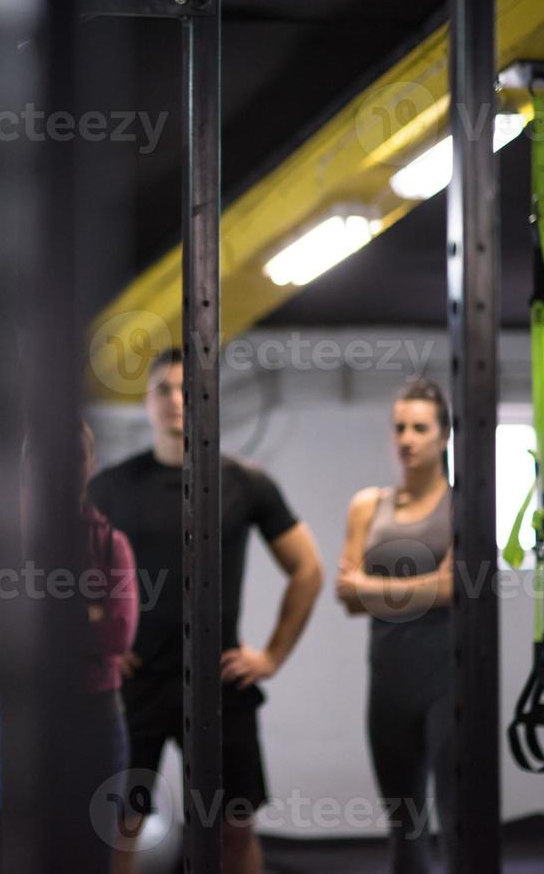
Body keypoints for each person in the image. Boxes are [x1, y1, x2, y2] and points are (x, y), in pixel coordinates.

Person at [88, 348, 323, 874]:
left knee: (233, 827)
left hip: (218, 679)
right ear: (147, 403)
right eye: (162, 390)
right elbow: (65, 577)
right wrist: (100, 642)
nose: (175, 401)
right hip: (137, 680)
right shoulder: (110, 487)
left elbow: (307, 569)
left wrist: (272, 656)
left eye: (186, 390)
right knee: (118, 825)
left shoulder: (245, 483)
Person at [335, 379, 456, 874]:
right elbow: (346, 595)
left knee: (457, 817)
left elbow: (455, 589)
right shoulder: (369, 504)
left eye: (420, 428)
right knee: (403, 827)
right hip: (388, 681)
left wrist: (373, 588)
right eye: (399, 427)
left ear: (444, 436)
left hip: (449, 679)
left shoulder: (464, 504)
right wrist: (423, 588)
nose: (407, 438)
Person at [79, 420, 140, 858]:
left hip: (95, 714)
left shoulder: (109, 543)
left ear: (90, 465)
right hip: (16, 711)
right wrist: (88, 608)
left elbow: (118, 633)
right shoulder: (0, 537)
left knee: (94, 851)